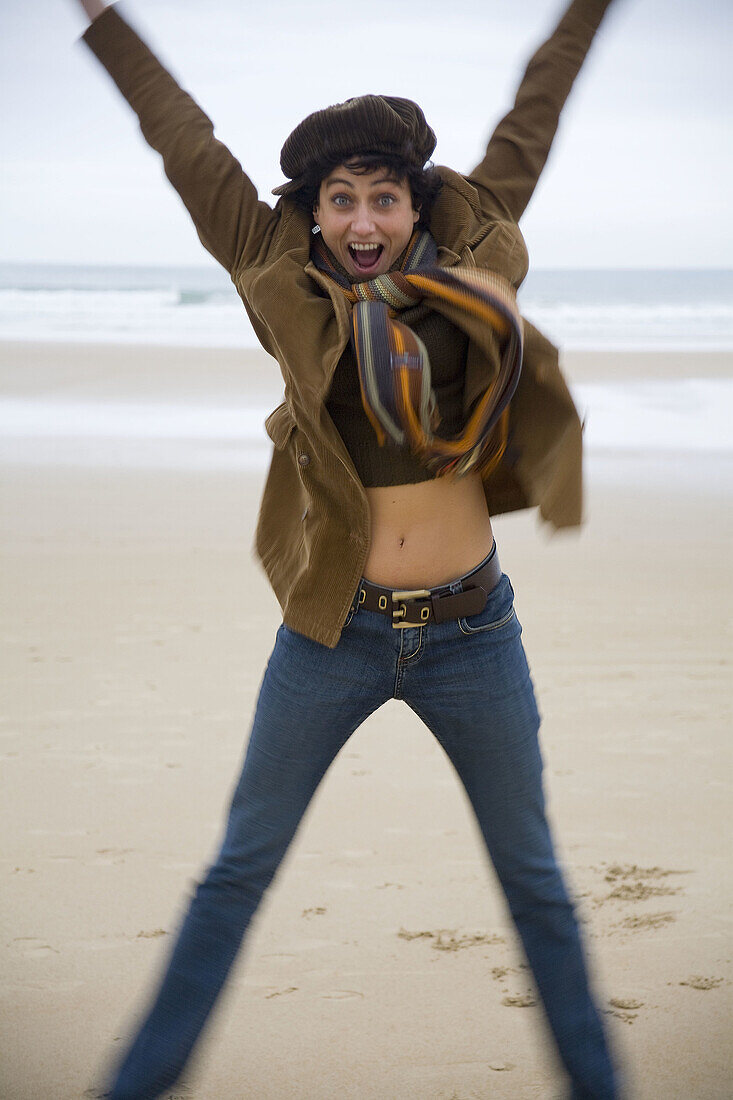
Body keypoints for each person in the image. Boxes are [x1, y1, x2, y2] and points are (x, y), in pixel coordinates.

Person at [76, 0, 621, 1096]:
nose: (362, 220)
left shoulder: (471, 253)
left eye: (383, 196)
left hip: (475, 633)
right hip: (334, 635)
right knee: (236, 872)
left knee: (536, 886)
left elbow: (536, 106)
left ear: (415, 202)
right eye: (340, 199)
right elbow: (183, 139)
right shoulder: (269, 262)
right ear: (312, 210)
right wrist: (105, 20)